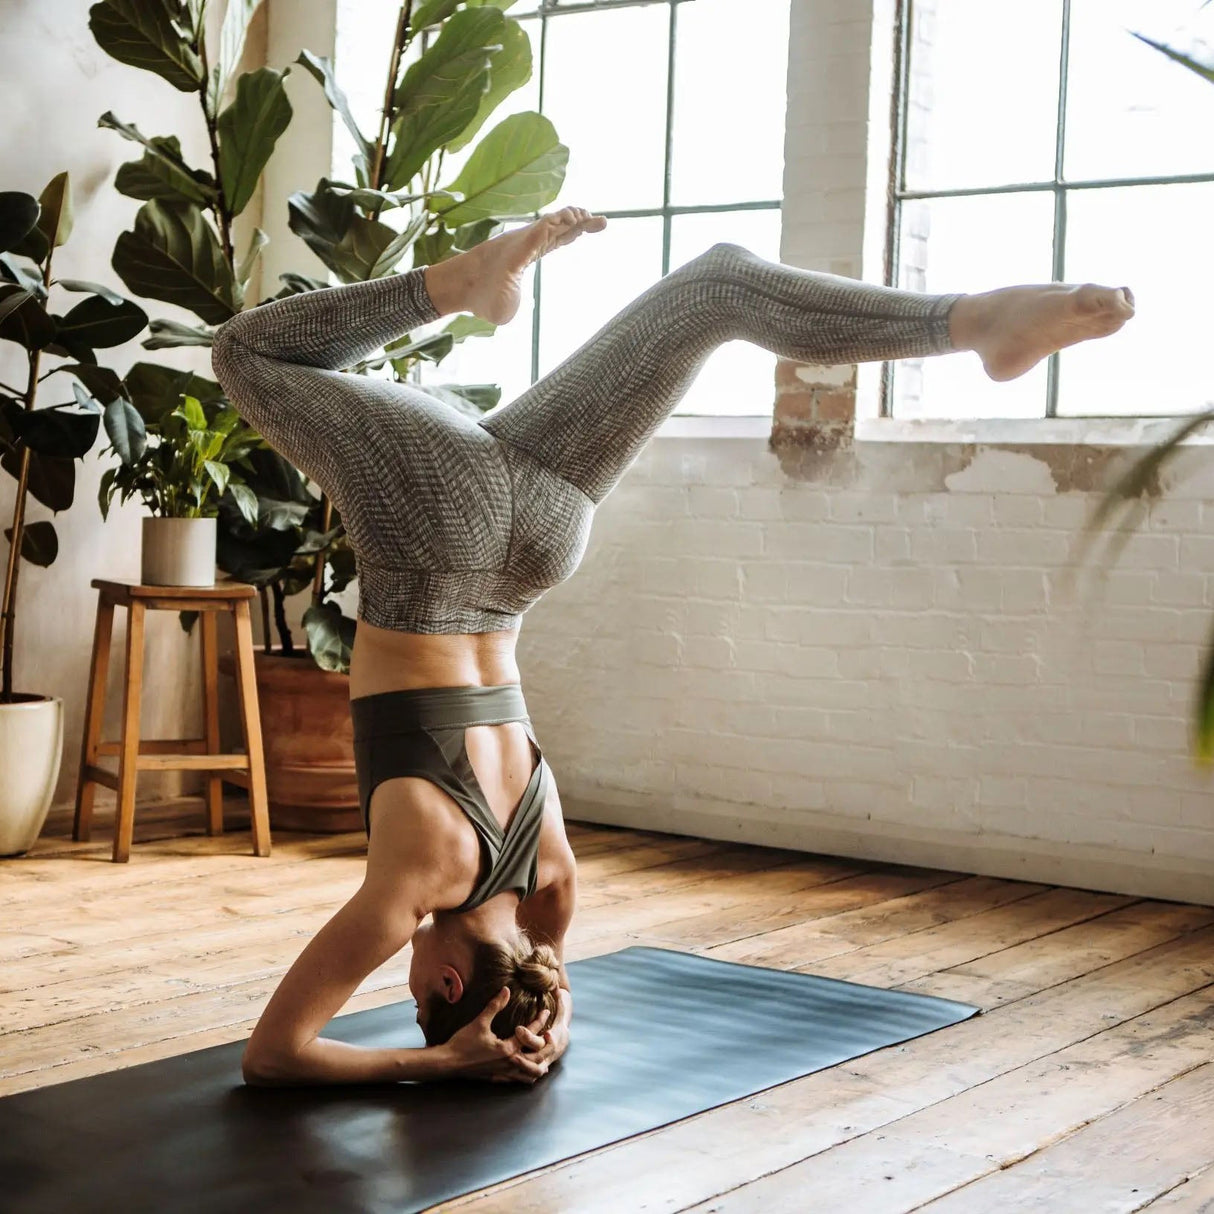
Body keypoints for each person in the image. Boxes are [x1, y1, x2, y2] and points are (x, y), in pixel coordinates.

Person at [211, 206, 1134, 1086]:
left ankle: (974, 323)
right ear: (446, 985)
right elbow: (277, 1056)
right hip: (437, 538)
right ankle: (457, 281)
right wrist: (439, 1062)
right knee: (245, 351)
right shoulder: (420, 879)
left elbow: (552, 969)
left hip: (540, 529)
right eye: (419, 1002)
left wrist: (550, 1019)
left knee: (717, 289)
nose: (408, 982)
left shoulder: (551, 881)